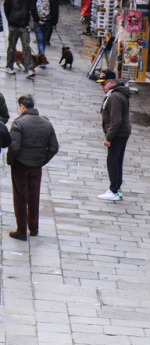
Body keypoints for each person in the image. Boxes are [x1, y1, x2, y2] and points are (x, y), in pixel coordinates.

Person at [7, 94, 59, 241]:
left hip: (21, 166)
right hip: (36, 166)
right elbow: (54, 147)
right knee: (34, 196)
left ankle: (21, 230)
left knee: (20, 197)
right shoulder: (46, 123)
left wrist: (11, 161)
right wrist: (42, 160)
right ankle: (34, 227)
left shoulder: (19, 123)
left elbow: (14, 147)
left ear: (22, 106)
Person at [97, 70, 131, 201]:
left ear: (111, 82)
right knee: (117, 161)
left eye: (104, 84)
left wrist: (108, 137)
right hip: (122, 133)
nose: (102, 87)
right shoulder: (117, 94)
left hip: (117, 134)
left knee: (112, 161)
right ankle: (117, 188)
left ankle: (114, 190)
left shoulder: (115, 97)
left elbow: (115, 120)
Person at [4, 0, 35, 78]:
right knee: (12, 46)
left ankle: (29, 68)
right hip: (13, 24)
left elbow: (31, 8)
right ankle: (9, 66)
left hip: (24, 25)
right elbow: (6, 8)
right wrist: (10, 21)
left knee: (26, 47)